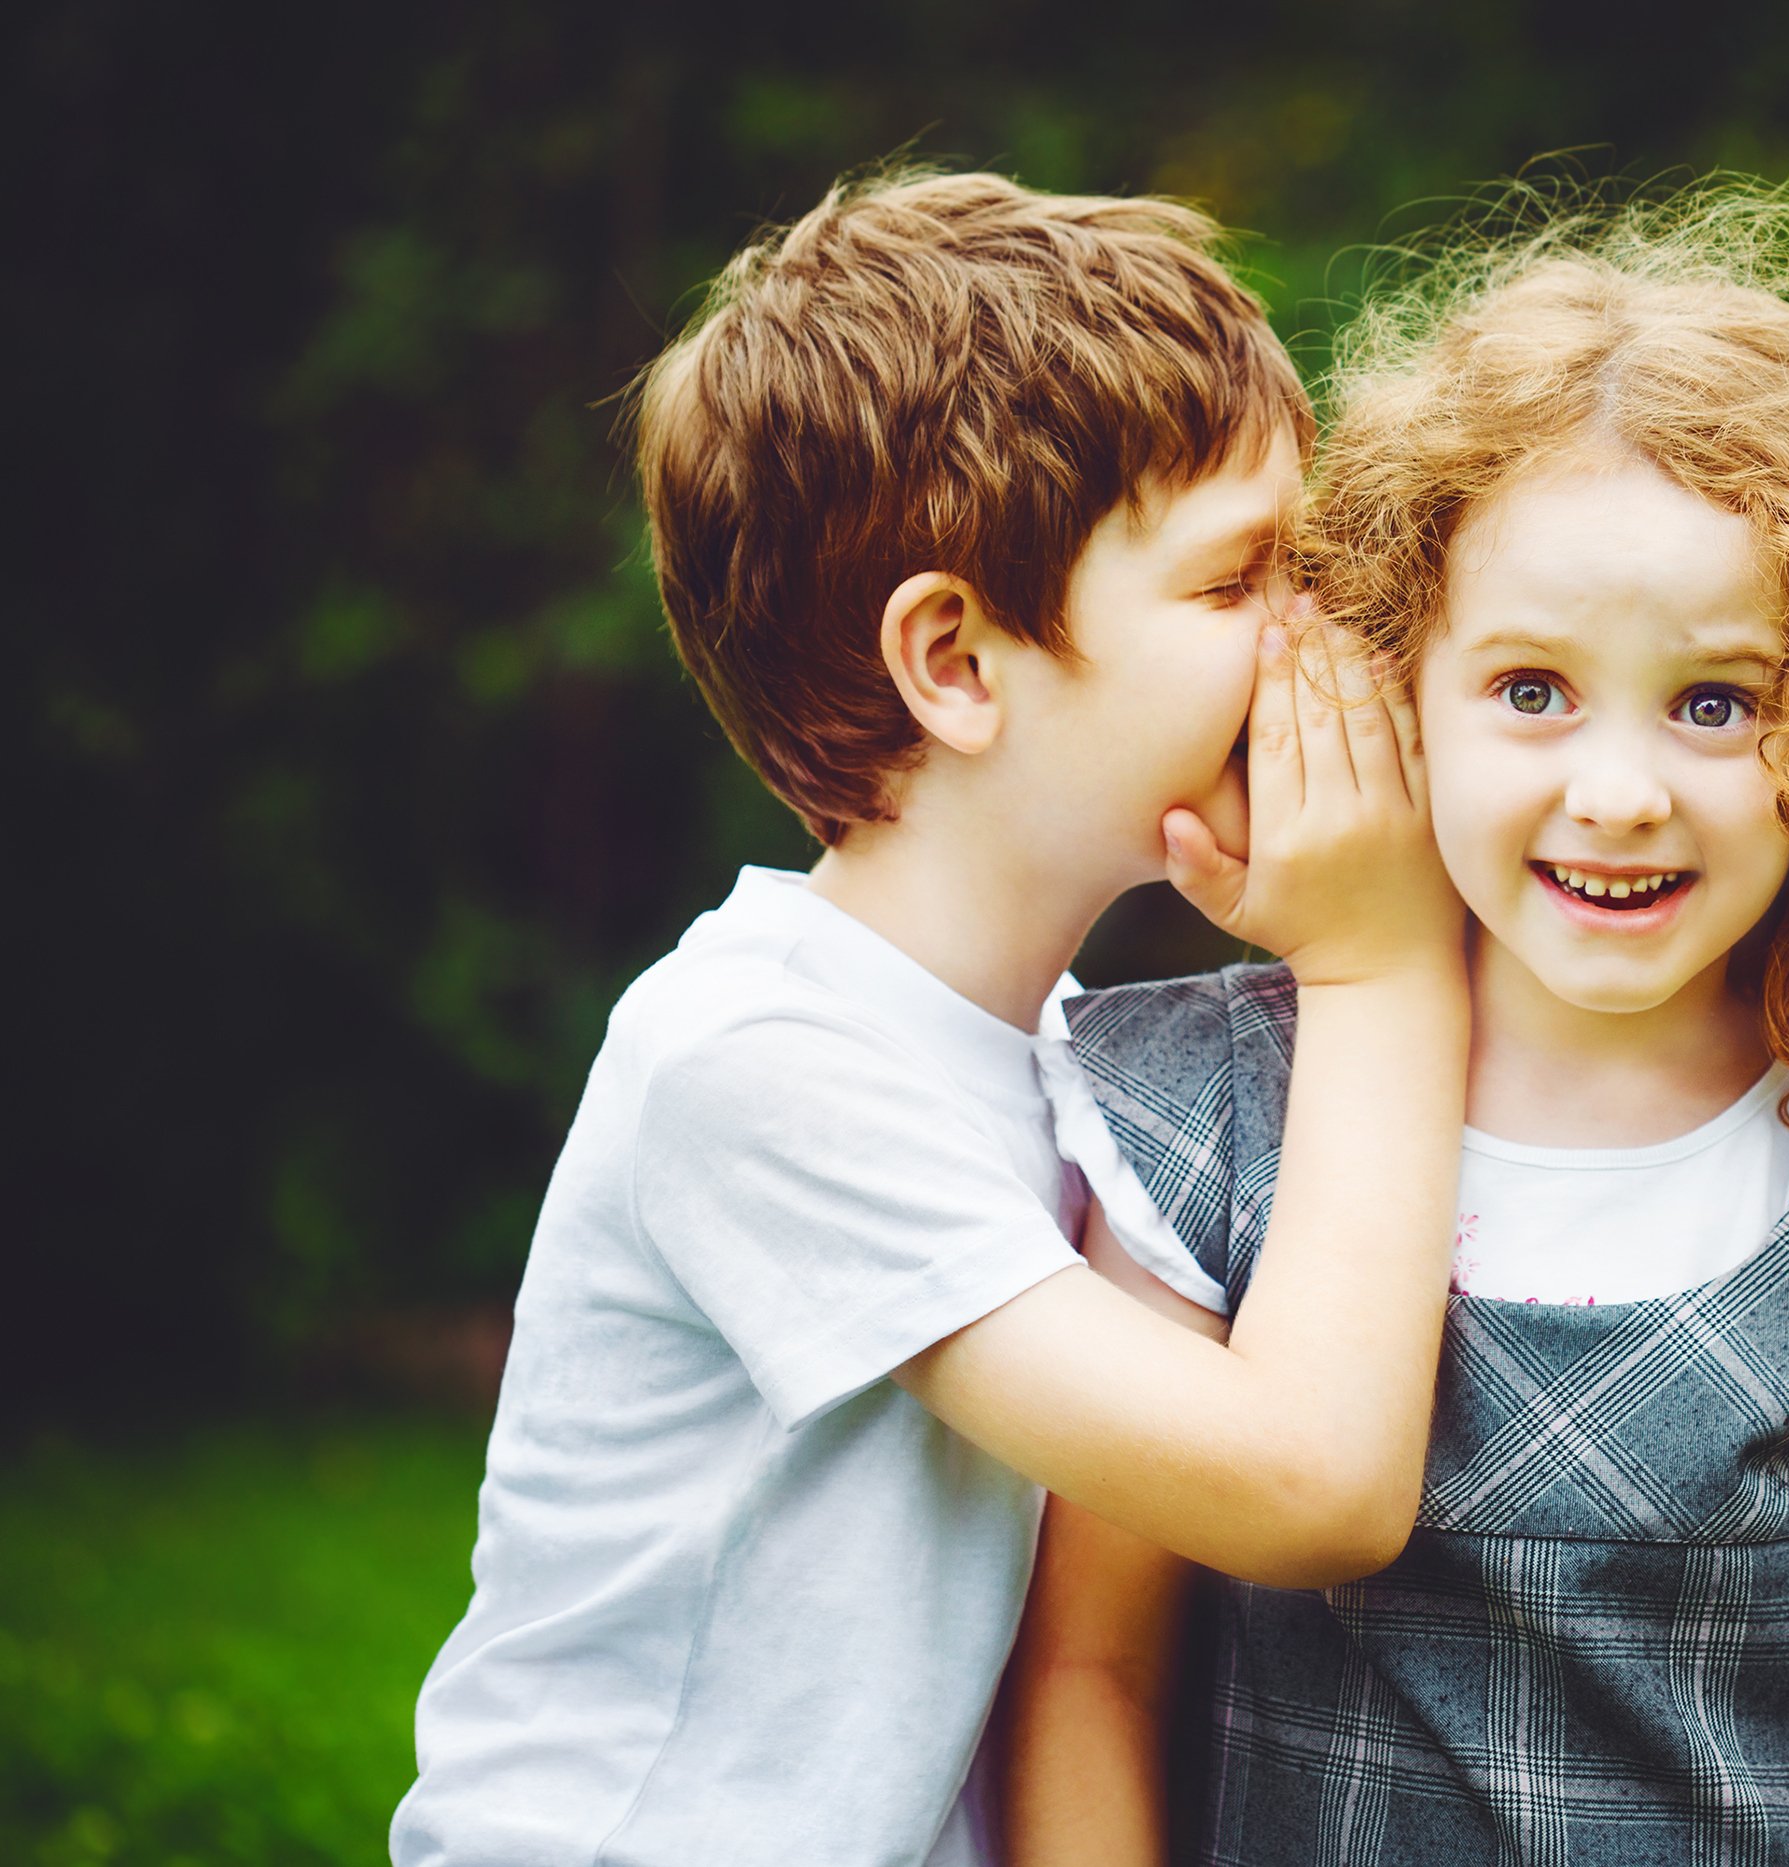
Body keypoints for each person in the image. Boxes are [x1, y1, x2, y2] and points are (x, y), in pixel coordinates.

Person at [1004, 185, 1789, 1866]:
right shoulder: (1210, 1126)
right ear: (1395, 686)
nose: (1617, 795)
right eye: (1531, 690)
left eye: (1715, 702)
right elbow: (1093, 1679)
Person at [390, 168, 1471, 1867]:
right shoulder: (754, 1066)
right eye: (1238, 579)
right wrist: (1383, 971)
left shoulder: (1067, 1058)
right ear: (957, 663)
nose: (1313, 635)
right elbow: (1309, 1486)